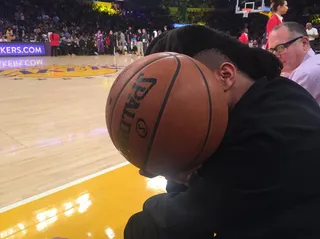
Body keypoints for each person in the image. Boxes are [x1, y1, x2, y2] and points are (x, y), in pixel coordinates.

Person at [124, 25, 320, 239]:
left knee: (142, 227)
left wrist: (171, 169)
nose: (173, 104)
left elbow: (181, 216)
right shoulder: (275, 91)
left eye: (176, 92)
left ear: (225, 75)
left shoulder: (264, 136)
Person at [268, 22, 320, 104]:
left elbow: (285, 112)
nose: (275, 55)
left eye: (280, 48)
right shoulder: (314, 62)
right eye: (272, 51)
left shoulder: (304, 74)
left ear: (304, 43)